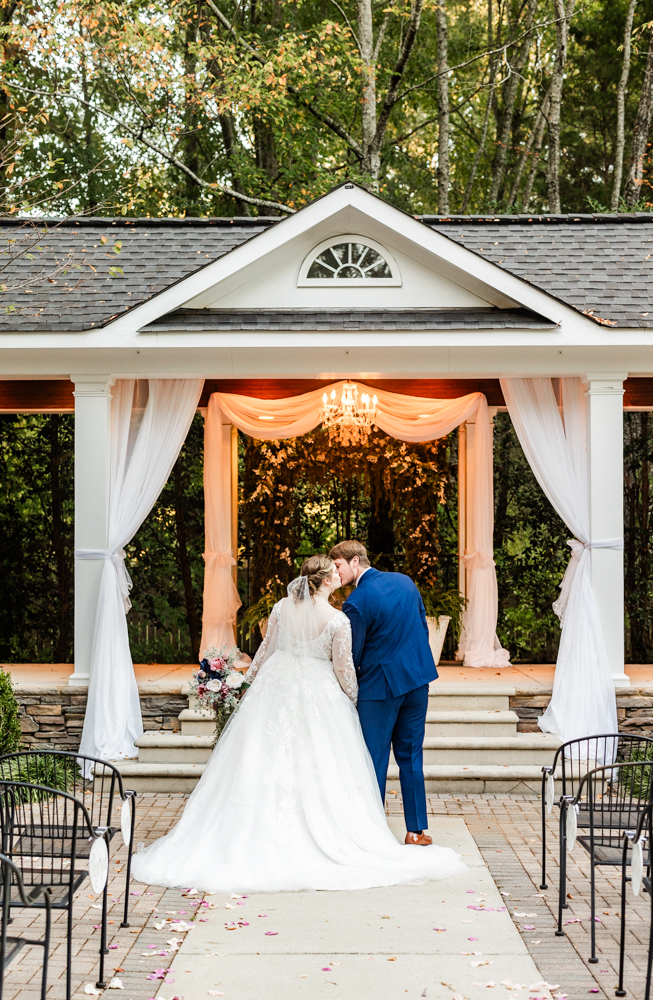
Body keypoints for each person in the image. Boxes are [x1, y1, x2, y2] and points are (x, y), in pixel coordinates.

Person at [131, 555, 465, 892]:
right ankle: (380, 827)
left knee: (263, 758)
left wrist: (247, 684)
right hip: (325, 693)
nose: (339, 574)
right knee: (326, 759)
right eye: (334, 572)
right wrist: (349, 700)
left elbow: (264, 652)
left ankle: (257, 829)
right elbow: (343, 670)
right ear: (324, 580)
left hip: (275, 688)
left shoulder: (281, 607)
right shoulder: (337, 619)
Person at [330, 541, 436, 846]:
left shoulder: (357, 602)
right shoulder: (405, 581)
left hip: (379, 688)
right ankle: (416, 831)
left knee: (372, 760)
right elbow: (422, 627)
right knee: (411, 756)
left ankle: (371, 832)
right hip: (417, 680)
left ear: (354, 561)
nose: (335, 573)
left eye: (337, 566)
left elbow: (354, 654)